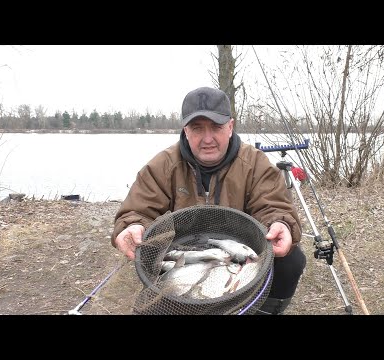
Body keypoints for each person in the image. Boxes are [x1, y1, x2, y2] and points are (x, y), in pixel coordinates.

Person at [111, 86, 306, 315]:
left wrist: (280, 223)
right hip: (183, 249)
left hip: (242, 247)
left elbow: (273, 205)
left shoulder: (255, 163)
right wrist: (132, 226)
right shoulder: (163, 165)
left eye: (216, 127)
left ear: (230, 127)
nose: (207, 139)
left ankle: (264, 310)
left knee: (292, 260)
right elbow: (137, 210)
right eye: (197, 128)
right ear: (185, 130)